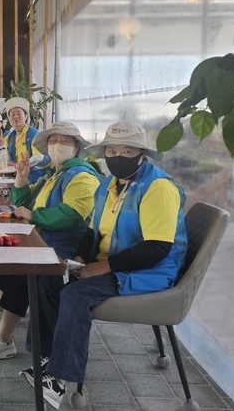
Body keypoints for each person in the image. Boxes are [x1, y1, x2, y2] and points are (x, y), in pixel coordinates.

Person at [19, 121, 188, 409]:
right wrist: (81, 258)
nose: (118, 157)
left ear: (142, 154)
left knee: (76, 294)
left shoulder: (157, 187)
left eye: (127, 151)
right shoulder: (108, 185)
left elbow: (157, 248)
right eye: (112, 151)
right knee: (50, 278)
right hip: (114, 262)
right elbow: (92, 231)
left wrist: (103, 266)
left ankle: (59, 379)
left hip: (148, 270)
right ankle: (49, 355)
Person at [0, 122, 101, 364]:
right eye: (53, 140)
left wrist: (34, 216)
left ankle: (21, 345)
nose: (58, 145)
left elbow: (72, 215)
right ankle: (3, 331)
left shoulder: (82, 176)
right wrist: (21, 178)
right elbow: (23, 201)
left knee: (22, 271)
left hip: (66, 254)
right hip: (45, 247)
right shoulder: (53, 175)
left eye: (65, 141)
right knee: (9, 263)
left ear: (76, 147)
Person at [2, 97, 49, 183]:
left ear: (26, 116)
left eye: (19, 114)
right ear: (9, 118)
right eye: (12, 115)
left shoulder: (34, 133)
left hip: (35, 176)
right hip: (17, 174)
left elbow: (38, 157)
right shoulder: (8, 138)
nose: (16, 117)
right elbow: (7, 158)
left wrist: (19, 165)